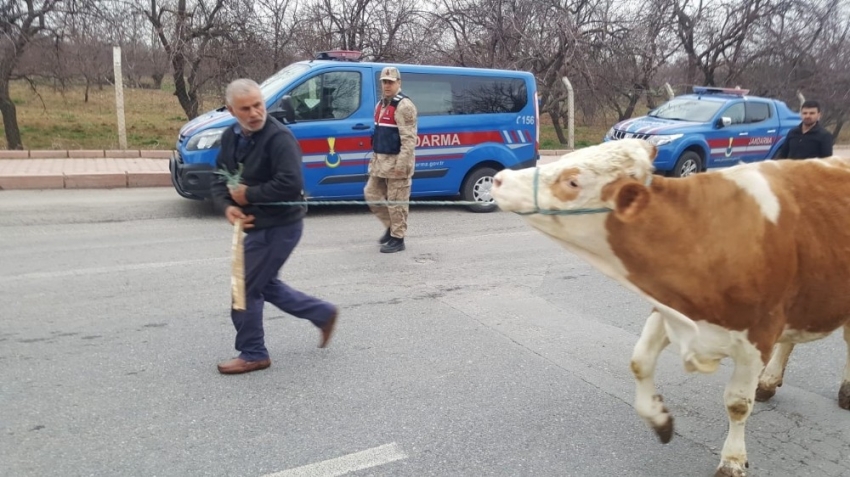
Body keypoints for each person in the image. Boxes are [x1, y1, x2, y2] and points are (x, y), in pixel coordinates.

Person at [210, 78, 338, 375]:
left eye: (258, 105)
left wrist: (248, 195)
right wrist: (228, 206)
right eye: (246, 108)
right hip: (254, 225)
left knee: (245, 289)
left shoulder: (279, 138)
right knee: (264, 284)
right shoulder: (231, 137)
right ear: (231, 110)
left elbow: (291, 184)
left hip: (280, 225)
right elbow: (218, 175)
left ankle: (253, 353)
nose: (255, 113)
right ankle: (322, 313)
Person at [365, 66, 418, 253]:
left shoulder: (404, 106)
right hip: (380, 162)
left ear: (398, 83)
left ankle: (398, 238)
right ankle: (391, 226)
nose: (387, 85)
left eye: (390, 82)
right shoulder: (381, 105)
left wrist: (401, 166)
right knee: (371, 193)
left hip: (397, 163)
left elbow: (409, 140)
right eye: (384, 82)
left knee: (397, 202)